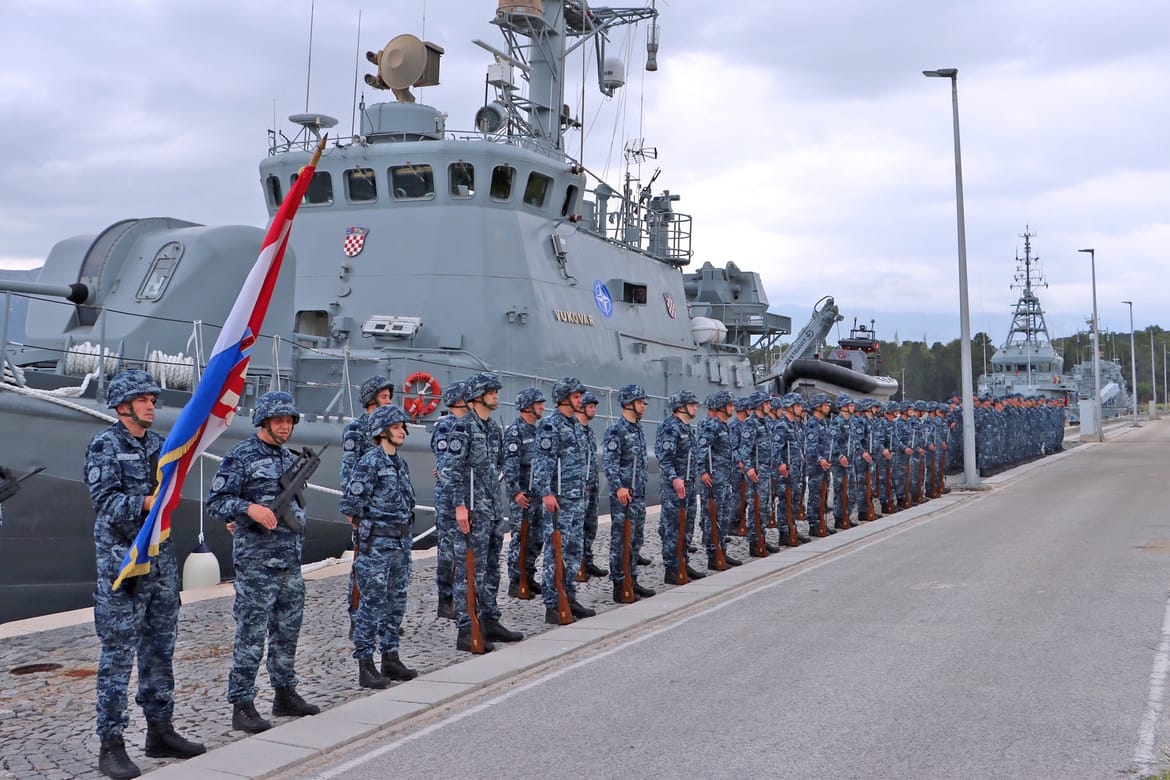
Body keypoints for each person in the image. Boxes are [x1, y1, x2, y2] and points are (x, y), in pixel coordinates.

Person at [85, 369, 205, 779]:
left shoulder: (159, 446)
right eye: (143, 399)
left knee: (160, 651)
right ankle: (112, 744)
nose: (152, 404)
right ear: (123, 406)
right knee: (118, 657)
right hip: (123, 568)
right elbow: (104, 501)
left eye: (153, 399)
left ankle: (160, 730)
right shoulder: (105, 445)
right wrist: (145, 502)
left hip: (160, 566)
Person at [207, 391, 320, 734]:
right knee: (252, 635)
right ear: (264, 422)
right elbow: (217, 500)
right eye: (279, 421)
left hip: (289, 562)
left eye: (289, 421)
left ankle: (285, 692)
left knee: (287, 631)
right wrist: (248, 509)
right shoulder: (241, 455)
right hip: (257, 563)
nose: (285, 426)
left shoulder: (289, 458)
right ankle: (242, 704)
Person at [439, 372, 523, 651]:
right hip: (472, 512)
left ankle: (489, 620)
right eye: (491, 391)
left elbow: (497, 465)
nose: (496, 395)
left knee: (490, 568)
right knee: (468, 571)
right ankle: (466, 628)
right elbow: (450, 471)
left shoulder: (493, 429)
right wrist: (460, 506)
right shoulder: (462, 428)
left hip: (492, 511)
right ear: (477, 396)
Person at [339, 403, 419, 688]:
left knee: (395, 605)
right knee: (371, 605)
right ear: (382, 431)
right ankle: (366, 664)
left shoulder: (400, 463)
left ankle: (390, 656)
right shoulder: (370, 462)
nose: (402, 431)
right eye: (396, 427)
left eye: (401, 427)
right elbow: (351, 505)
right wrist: (372, 528)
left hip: (400, 543)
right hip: (377, 546)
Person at [533, 376, 596, 624]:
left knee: (574, 550)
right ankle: (553, 603)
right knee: (555, 551)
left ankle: (568, 596)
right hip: (559, 499)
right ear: (564, 399)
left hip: (576, 498)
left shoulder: (575, 426)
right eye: (576, 397)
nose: (580, 400)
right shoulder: (551, 426)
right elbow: (543, 462)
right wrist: (546, 492)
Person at [340, 375, 394, 633]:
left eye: (388, 396)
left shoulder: (387, 430)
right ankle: (357, 617)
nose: (389, 401)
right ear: (371, 400)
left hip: (386, 510)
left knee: (385, 567)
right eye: (384, 397)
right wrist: (352, 509)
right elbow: (348, 470)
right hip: (366, 510)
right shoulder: (356, 429)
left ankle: (380, 616)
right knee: (362, 566)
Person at [604, 384, 656, 602]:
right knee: (621, 539)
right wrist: (619, 487)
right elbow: (610, 462)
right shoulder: (617, 431)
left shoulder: (638, 429)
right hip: (624, 495)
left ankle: (631, 579)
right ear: (628, 404)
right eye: (640, 402)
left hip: (638, 493)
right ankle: (619, 583)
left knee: (636, 538)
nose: (643, 406)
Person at [656, 390, 706, 582]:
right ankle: (672, 569)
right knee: (672, 527)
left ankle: (683, 562)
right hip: (674, 488)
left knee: (687, 526)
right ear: (681, 407)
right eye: (692, 404)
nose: (695, 407)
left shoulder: (687, 428)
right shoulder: (671, 428)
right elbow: (665, 459)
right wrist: (674, 478)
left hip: (689, 486)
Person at [431, 381, 468, 618]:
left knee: (464, 549)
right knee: (448, 550)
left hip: (466, 494)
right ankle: (446, 598)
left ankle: (463, 595)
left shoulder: (470, 425)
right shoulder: (445, 427)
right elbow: (446, 465)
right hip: (447, 496)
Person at [504, 387, 545, 598]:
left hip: (537, 495)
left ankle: (528, 575)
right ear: (528, 406)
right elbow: (509, 465)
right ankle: (516, 580)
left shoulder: (536, 432)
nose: (542, 407)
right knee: (521, 537)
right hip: (523, 497)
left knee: (537, 538)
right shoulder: (515, 432)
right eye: (539, 403)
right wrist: (515, 493)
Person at [698, 391, 741, 569]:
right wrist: (702, 471)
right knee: (713, 518)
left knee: (724, 518)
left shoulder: (726, 426)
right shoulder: (712, 427)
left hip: (726, 480)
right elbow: (701, 448)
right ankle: (713, 555)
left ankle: (722, 551)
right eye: (730, 405)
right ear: (722, 407)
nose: (732, 408)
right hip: (714, 480)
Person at [575, 391, 607, 580]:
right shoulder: (575, 430)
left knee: (590, 525)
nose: (594, 410)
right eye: (591, 406)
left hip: (592, 485)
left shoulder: (589, 431)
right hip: (581, 487)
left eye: (594, 406)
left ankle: (587, 560)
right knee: (578, 527)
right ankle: (577, 565)